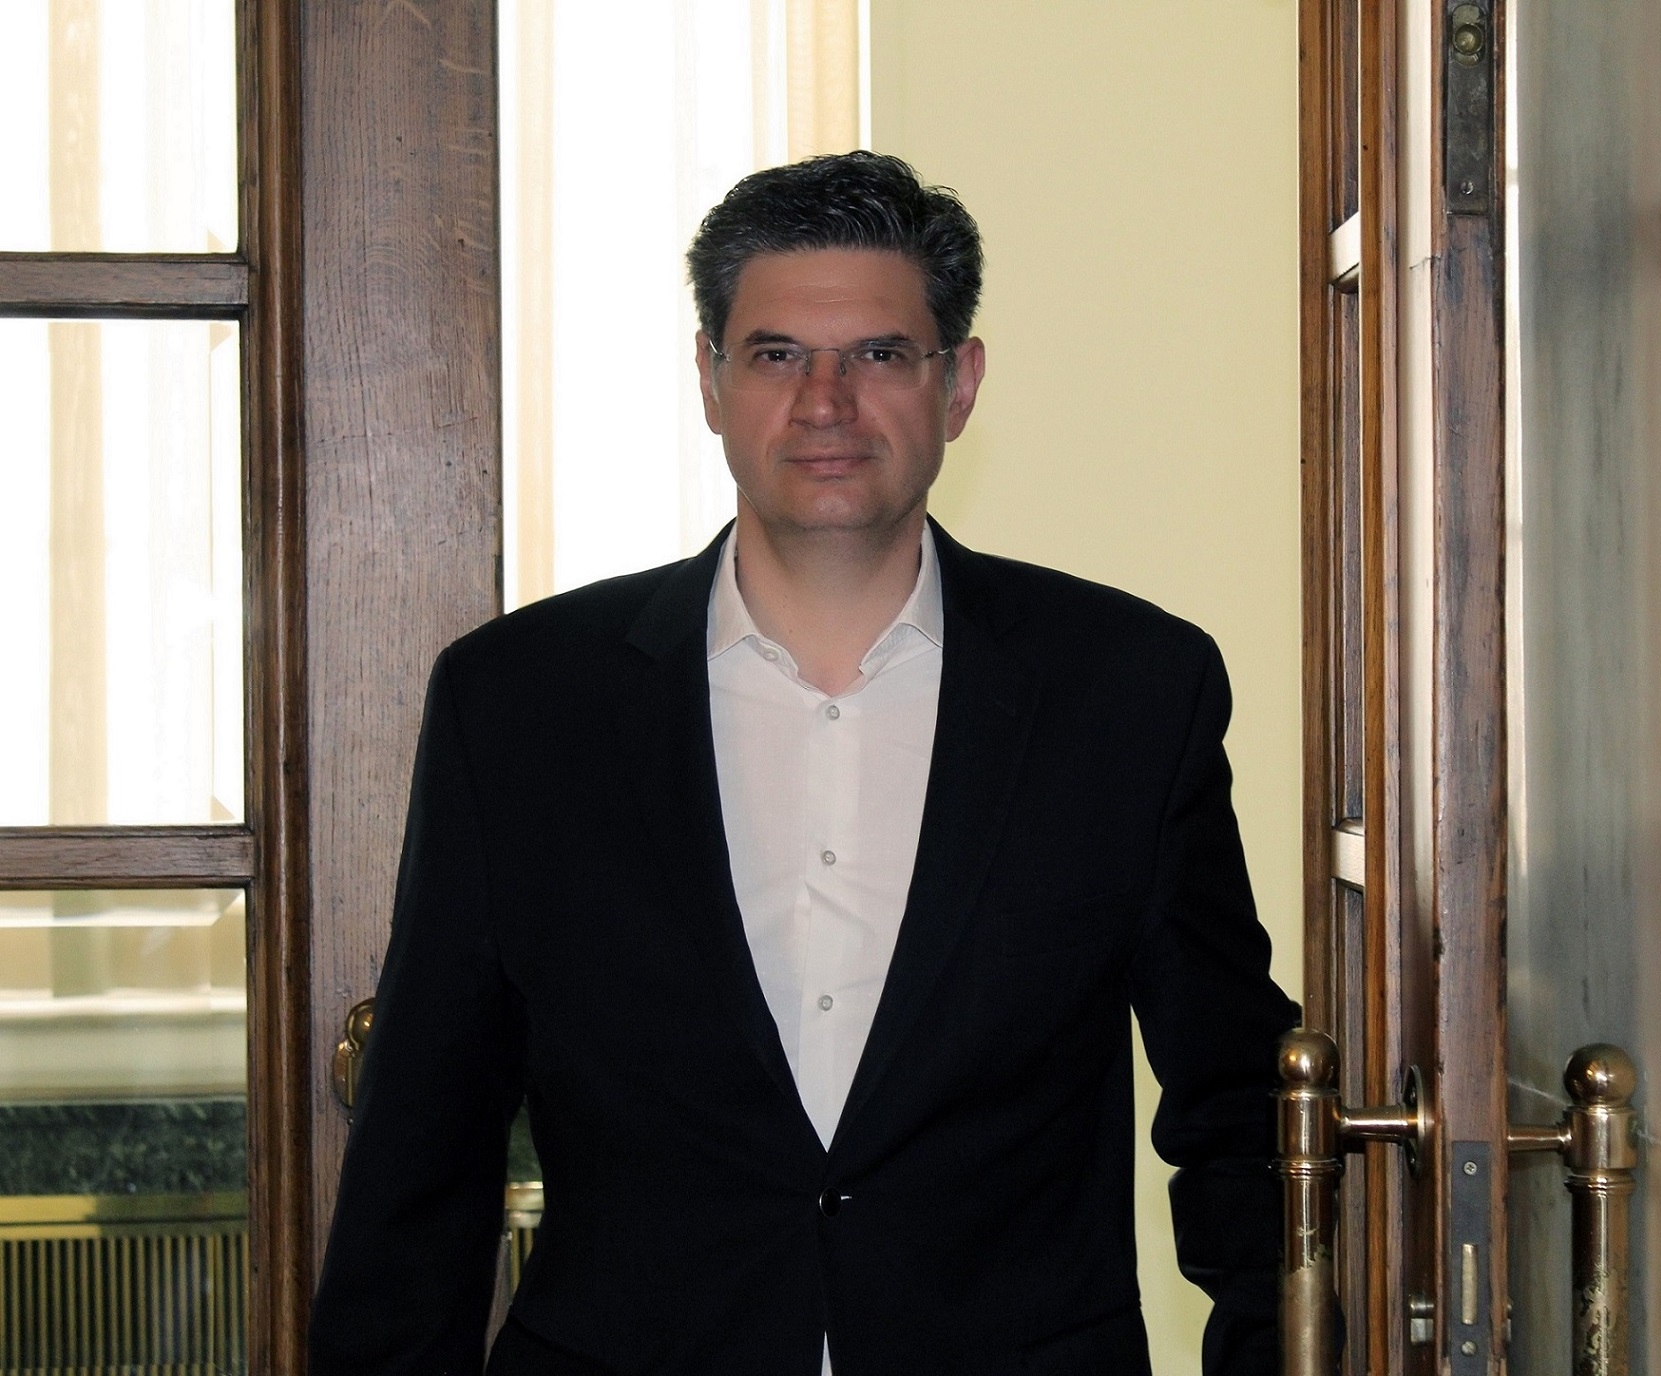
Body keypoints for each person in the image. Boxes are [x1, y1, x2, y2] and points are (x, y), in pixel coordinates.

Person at [310, 151, 1297, 1376]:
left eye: (878, 353)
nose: (825, 402)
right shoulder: (519, 702)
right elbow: (425, 1138)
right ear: (710, 382)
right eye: (776, 354)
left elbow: (1237, 1106)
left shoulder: (1128, 691)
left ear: (957, 385)